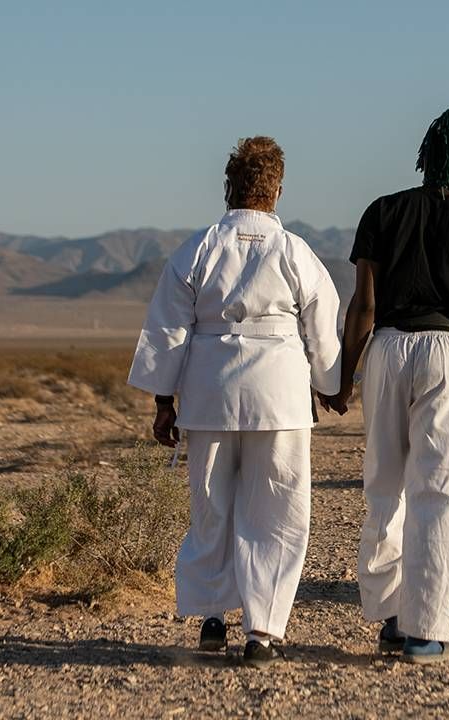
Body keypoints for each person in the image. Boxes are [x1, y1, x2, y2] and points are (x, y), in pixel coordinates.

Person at [128, 136, 341, 668]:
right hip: (280, 396)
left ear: (229, 187)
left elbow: (167, 329)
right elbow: (322, 323)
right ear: (278, 189)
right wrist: (331, 383)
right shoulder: (296, 251)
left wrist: (163, 403)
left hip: (210, 393)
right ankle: (263, 631)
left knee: (212, 504)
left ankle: (213, 616)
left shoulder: (197, 249)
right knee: (277, 509)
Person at [321, 110, 449, 665]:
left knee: (385, 483)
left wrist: (342, 378)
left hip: (386, 350)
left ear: (424, 155)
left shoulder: (383, 211)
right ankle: (426, 631)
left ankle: (390, 619)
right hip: (447, 353)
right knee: (441, 492)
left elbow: (363, 305)